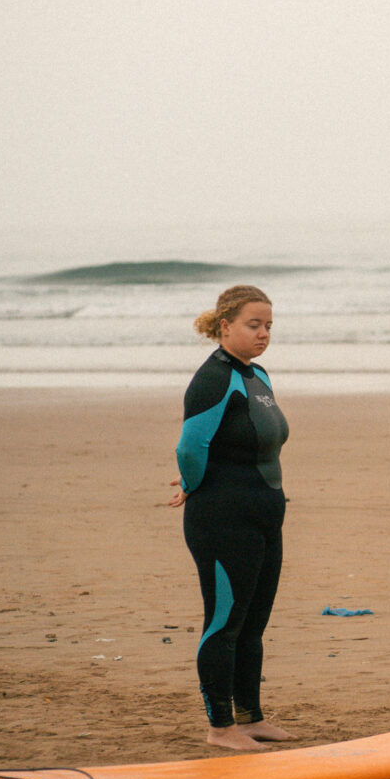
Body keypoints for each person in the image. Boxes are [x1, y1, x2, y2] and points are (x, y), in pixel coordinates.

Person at [169, 285, 295, 751]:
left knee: (253, 623)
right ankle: (221, 727)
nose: (263, 334)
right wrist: (192, 484)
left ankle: (250, 716)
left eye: (268, 326)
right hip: (222, 518)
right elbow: (190, 446)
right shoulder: (213, 379)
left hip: (264, 515)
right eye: (253, 325)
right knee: (224, 621)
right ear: (225, 327)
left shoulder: (256, 376)